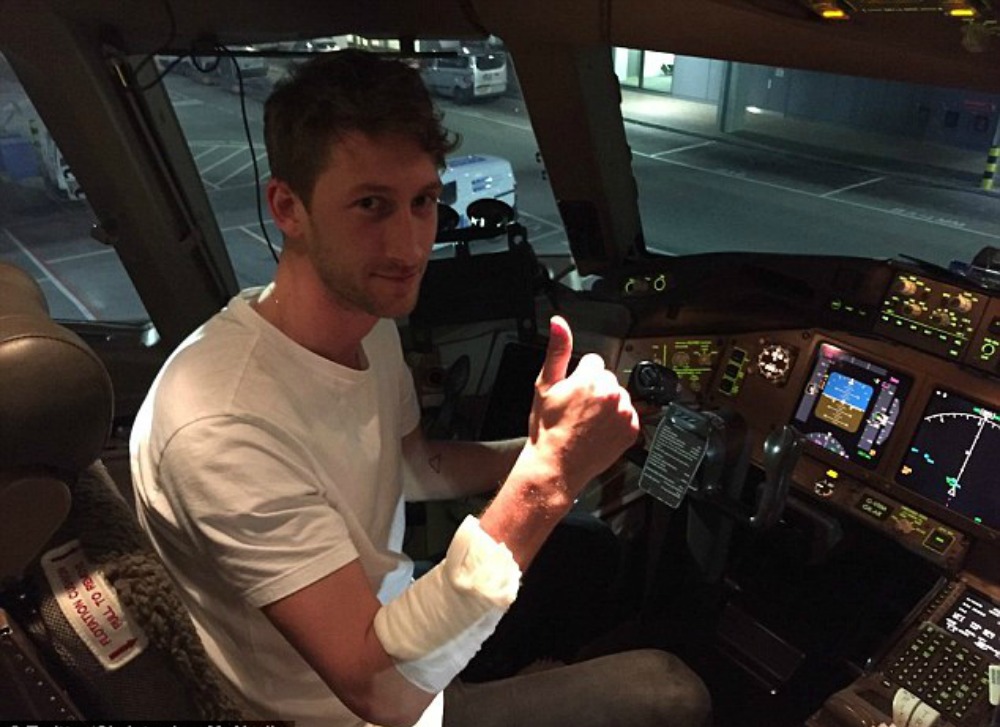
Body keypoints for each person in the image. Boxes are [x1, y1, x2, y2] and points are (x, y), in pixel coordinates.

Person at [130, 48, 711, 727]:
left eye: (423, 202)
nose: (409, 247)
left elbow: (411, 464)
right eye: (371, 205)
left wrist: (540, 448)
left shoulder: (369, 324)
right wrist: (550, 477)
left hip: (392, 622)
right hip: (358, 705)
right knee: (671, 692)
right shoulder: (222, 425)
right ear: (288, 206)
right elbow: (382, 694)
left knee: (588, 551)